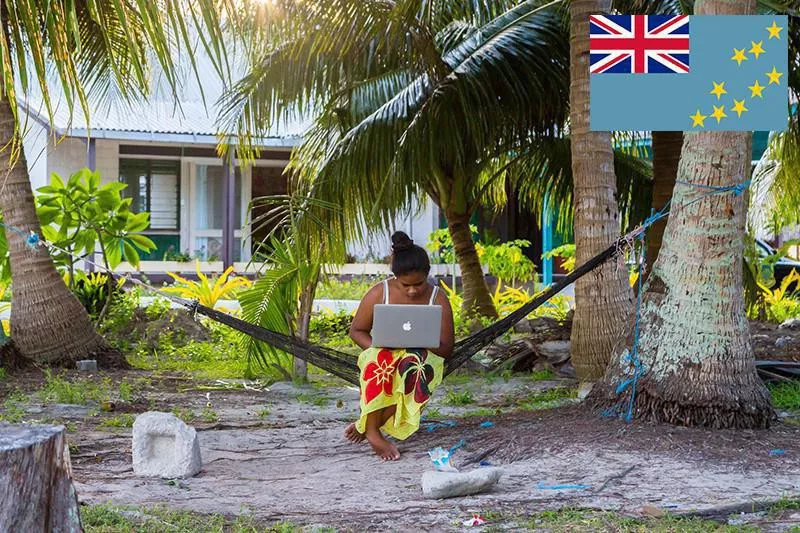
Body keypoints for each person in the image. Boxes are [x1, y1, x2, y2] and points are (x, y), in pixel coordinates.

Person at [344, 231, 455, 461]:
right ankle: (374, 432)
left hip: (424, 355)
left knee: (412, 365)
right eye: (406, 285)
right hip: (382, 352)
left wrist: (419, 342)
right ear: (395, 278)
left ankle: (367, 424)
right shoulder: (379, 293)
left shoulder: (438, 297)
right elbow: (356, 331)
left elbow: (447, 349)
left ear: (428, 275)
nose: (413, 290)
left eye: (419, 284)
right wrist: (378, 347)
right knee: (381, 361)